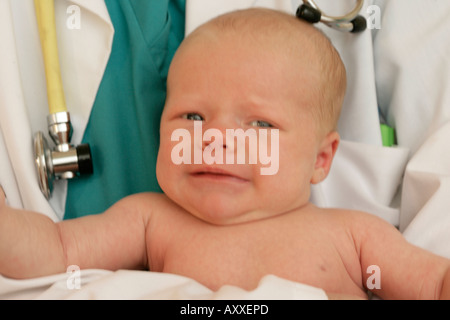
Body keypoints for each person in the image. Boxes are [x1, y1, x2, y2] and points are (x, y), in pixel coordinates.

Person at [0, 8, 449, 300]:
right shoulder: (149, 220)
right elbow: (57, 251)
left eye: (258, 125)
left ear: (320, 160)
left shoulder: (354, 236)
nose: (214, 139)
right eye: (192, 118)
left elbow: (432, 284)